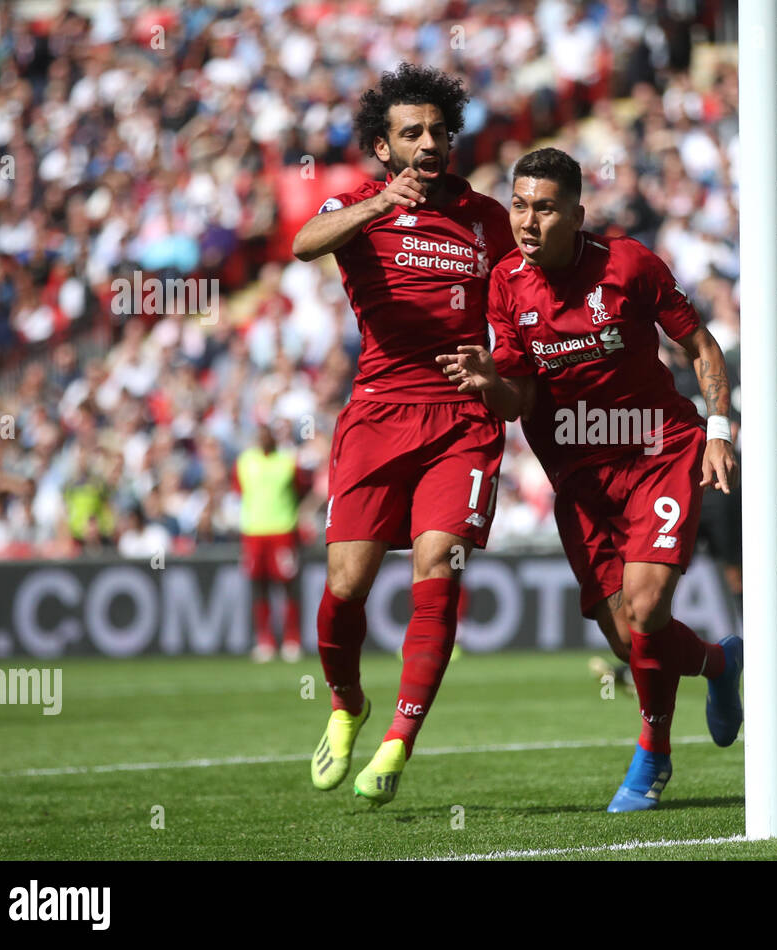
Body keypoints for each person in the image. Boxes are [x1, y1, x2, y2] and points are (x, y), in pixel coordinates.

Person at [436, 147, 744, 812]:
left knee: (647, 604)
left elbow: (699, 345)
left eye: (544, 207)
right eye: (519, 205)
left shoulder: (628, 264)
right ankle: (720, 664)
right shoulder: (505, 283)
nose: (526, 220)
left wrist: (719, 429)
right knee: (631, 640)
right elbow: (518, 400)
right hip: (578, 479)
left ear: (576, 214)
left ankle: (652, 756)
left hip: (658, 452)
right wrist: (493, 384)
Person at [291, 64, 514, 806]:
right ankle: (348, 703)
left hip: (462, 418)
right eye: (410, 132)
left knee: (436, 572)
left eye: (437, 131)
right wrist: (381, 204)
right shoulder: (360, 203)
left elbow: (519, 300)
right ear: (382, 148)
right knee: (345, 587)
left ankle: (398, 741)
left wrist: (497, 366)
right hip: (378, 414)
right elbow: (303, 242)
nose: (428, 142)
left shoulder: (487, 218)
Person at [233, 420, 310, 663]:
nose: (264, 439)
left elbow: (300, 490)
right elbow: (238, 491)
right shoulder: (245, 462)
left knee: (287, 585)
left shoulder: (288, 461)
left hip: (282, 531)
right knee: (259, 586)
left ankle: (292, 641)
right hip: (254, 532)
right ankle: (265, 641)